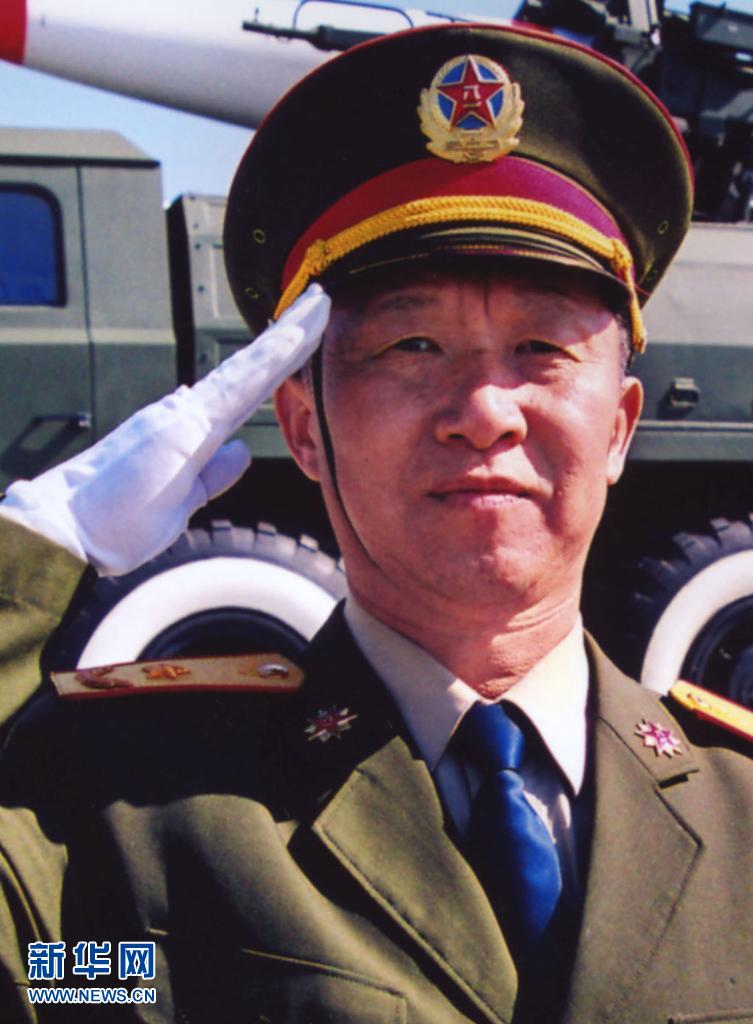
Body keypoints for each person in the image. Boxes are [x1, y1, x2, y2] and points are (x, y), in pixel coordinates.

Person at [0, 20, 752, 1024]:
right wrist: (27, 562)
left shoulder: (741, 812)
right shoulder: (127, 813)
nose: (484, 411)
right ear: (305, 428)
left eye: (540, 346)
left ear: (618, 427)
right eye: (413, 345)